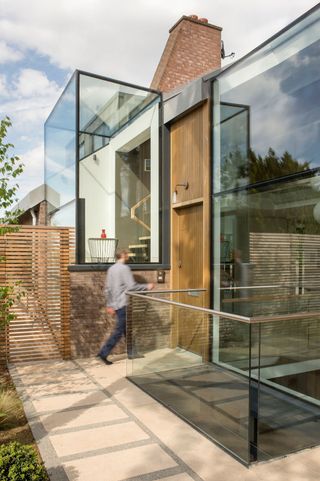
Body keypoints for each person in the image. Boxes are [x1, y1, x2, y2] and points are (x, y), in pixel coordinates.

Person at [97, 248, 154, 365]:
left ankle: (132, 352)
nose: (128, 255)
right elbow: (131, 286)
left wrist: (110, 305)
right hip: (122, 304)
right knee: (119, 330)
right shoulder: (125, 268)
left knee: (126, 328)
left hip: (116, 304)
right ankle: (103, 353)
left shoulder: (111, 269)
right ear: (123, 255)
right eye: (127, 253)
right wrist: (146, 286)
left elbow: (107, 289)